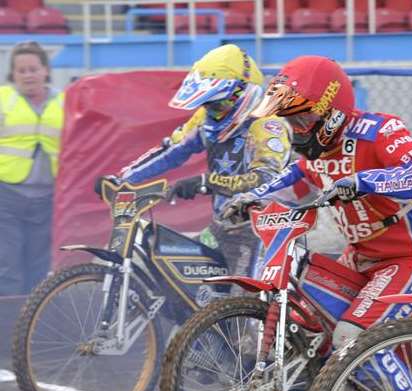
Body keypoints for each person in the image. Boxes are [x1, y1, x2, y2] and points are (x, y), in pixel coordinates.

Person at [230, 55, 412, 351]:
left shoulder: (380, 131)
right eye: (290, 121)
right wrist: (253, 198)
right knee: (313, 324)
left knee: (350, 338)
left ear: (330, 111)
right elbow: (297, 178)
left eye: (302, 119)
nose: (297, 129)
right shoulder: (318, 154)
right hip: (359, 259)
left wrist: (364, 182)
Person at [96, 44, 293, 279]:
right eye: (207, 104)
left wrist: (206, 182)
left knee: (239, 307)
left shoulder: (268, 125)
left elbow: (267, 179)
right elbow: (171, 151)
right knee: (177, 281)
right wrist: (122, 178)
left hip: (262, 231)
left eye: (216, 103)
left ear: (240, 94)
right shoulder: (206, 118)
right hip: (222, 227)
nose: (211, 111)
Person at [0, 41, 64, 296]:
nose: (28, 75)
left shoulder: (65, 102)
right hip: (6, 197)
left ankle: (32, 328)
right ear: (13, 74)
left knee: (39, 269)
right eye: (21, 70)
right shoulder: (3, 100)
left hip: (48, 199)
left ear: (45, 71)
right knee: (7, 266)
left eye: (33, 69)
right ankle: (7, 330)